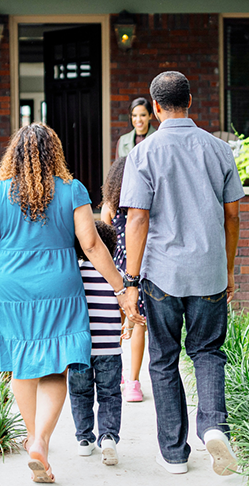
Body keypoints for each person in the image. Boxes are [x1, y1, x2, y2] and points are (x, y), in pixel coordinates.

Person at [0, 123, 139, 484]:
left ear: (14, 153)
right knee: (57, 367)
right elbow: (91, 245)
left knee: (21, 363)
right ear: (54, 153)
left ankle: (34, 440)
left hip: (7, 286)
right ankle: (41, 439)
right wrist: (121, 287)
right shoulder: (72, 190)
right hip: (57, 284)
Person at [120, 71, 244, 477]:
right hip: (209, 271)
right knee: (208, 353)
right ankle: (213, 427)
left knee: (163, 359)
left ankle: (174, 453)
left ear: (154, 108)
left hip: (161, 276)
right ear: (190, 100)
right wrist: (226, 269)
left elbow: (137, 220)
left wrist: (130, 282)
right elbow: (232, 215)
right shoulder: (220, 150)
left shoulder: (143, 153)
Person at [67, 221, 124, 466]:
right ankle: (109, 437)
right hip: (110, 348)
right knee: (110, 394)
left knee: (80, 394)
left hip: (80, 348)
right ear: (112, 247)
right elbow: (123, 310)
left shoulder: (73, 275)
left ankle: (84, 439)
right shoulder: (116, 275)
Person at [99, 157, 147, 403]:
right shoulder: (142, 203)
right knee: (139, 322)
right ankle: (133, 382)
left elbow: (104, 242)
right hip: (139, 268)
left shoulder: (109, 205)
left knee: (115, 322)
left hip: (116, 271)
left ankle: (115, 376)